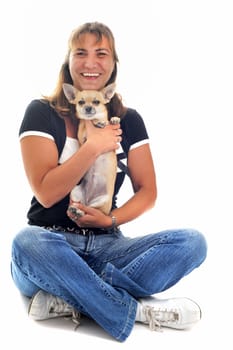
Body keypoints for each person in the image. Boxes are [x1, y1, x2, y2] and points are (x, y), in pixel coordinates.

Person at [11, 21, 207, 342]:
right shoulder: (41, 112)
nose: (90, 62)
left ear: (114, 63)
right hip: (51, 245)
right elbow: (46, 194)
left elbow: (148, 192)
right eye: (81, 53)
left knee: (192, 242)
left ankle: (70, 297)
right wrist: (94, 146)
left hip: (108, 244)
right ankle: (138, 311)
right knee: (25, 242)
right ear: (68, 61)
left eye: (101, 53)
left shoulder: (129, 120)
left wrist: (110, 219)